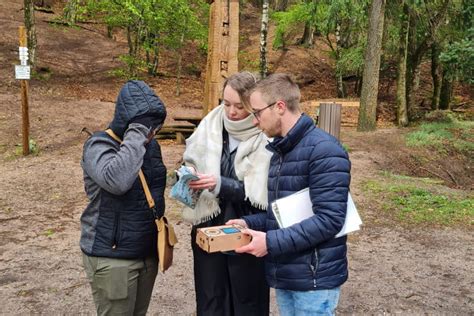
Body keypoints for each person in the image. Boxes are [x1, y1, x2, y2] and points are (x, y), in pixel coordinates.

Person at [228, 73, 351, 315]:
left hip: (314, 281)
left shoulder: (325, 150)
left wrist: (270, 242)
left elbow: (330, 220)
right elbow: (284, 216)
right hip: (288, 273)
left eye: (257, 112)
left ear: (280, 107)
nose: (254, 121)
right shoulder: (280, 151)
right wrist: (248, 222)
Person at [182, 71, 271, 315]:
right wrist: (188, 172)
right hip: (208, 223)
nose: (231, 112)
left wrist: (221, 184)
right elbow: (191, 158)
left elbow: (263, 192)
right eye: (226, 103)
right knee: (211, 297)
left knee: (247, 300)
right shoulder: (210, 125)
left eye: (239, 106)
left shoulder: (265, 133)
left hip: (247, 225)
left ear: (253, 105)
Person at [80, 80, 167, 316]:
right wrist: (138, 132)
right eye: (148, 126)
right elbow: (118, 181)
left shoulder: (149, 146)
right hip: (112, 256)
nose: (152, 133)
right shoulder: (98, 145)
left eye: (155, 127)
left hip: (146, 252)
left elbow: (152, 190)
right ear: (129, 121)